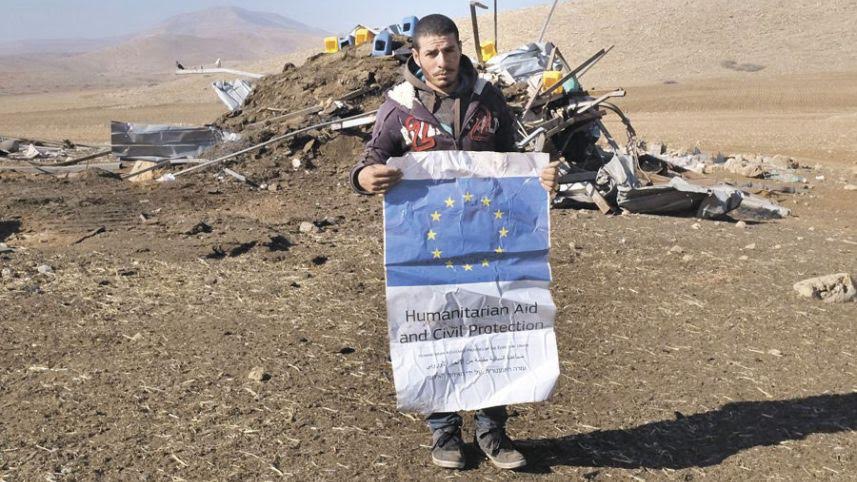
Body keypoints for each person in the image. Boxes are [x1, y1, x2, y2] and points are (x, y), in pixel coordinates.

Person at [349, 14, 558, 470]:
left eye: (449, 51)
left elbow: (511, 160)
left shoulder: (488, 99)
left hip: (491, 240)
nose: (442, 61)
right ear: (416, 56)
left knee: (494, 323)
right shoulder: (399, 107)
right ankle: (443, 432)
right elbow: (370, 158)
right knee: (435, 328)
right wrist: (365, 177)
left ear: (460, 49)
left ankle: (492, 430)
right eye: (431, 53)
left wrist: (537, 176)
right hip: (426, 247)